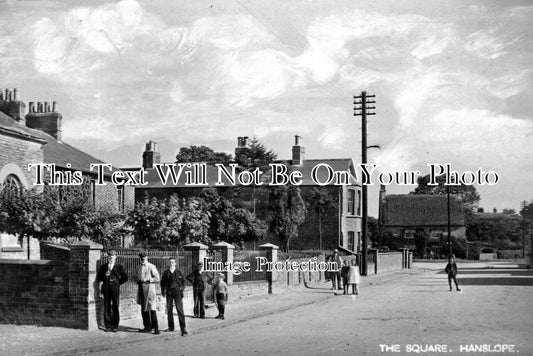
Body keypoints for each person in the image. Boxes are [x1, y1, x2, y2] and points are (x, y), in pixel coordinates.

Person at [97, 249, 128, 332]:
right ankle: (108, 326)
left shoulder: (119, 267)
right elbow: (100, 279)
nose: (111, 258)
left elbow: (125, 278)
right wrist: (100, 290)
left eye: (113, 256)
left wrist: (117, 283)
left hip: (115, 288)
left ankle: (115, 326)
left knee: (115, 306)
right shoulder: (104, 266)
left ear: (115, 257)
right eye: (110, 256)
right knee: (106, 306)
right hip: (106, 288)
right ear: (108, 257)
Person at [161, 257, 188, 336]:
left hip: (177, 292)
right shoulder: (166, 272)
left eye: (173, 262)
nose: (171, 264)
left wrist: (181, 289)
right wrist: (163, 291)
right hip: (169, 292)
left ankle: (183, 329)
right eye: (170, 262)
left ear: (175, 263)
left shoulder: (179, 272)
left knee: (180, 310)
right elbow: (162, 283)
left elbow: (184, 282)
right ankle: (171, 327)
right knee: (169, 310)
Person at [136, 251, 161, 334]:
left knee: (152, 308)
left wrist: (147, 279)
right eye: (141, 258)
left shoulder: (151, 266)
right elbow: (136, 277)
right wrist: (137, 280)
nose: (142, 259)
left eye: (144, 258)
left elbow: (157, 278)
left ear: (147, 257)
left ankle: (156, 328)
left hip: (150, 290)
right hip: (141, 290)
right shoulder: (138, 267)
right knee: (143, 309)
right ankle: (147, 327)